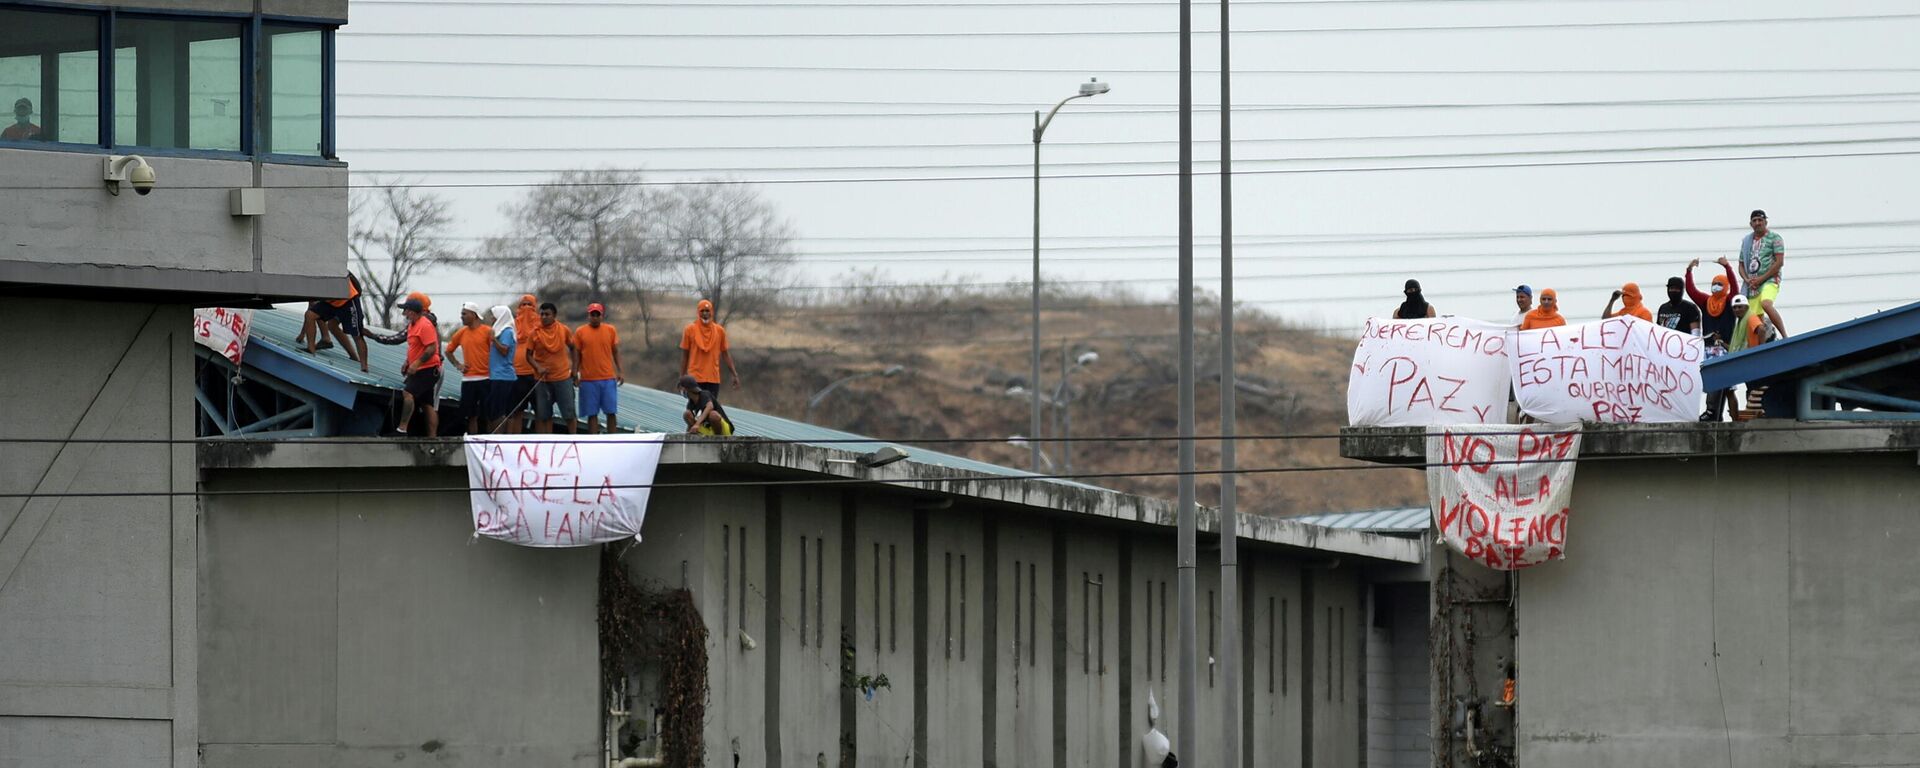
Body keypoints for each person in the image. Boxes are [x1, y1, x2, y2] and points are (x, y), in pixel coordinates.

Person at [1687, 257, 1742, 421]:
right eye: (1714, 283)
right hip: (1708, 349)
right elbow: (1691, 291)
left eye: (1720, 284)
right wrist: (1689, 271)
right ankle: (1712, 413)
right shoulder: (1706, 301)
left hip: (1725, 348)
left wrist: (1728, 268)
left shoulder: (1730, 302)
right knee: (1712, 384)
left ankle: (1735, 419)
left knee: (1730, 389)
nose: (1716, 286)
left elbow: (1735, 288)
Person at [298, 273, 369, 372]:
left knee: (356, 334)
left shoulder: (337, 271)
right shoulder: (311, 280)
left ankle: (363, 365)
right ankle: (311, 348)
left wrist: (301, 334)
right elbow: (311, 307)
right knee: (311, 315)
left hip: (348, 300)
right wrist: (302, 334)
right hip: (330, 303)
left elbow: (356, 286)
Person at [528, 301, 578, 434]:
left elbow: (573, 348)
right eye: (542, 314)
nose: (544, 317)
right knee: (544, 415)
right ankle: (547, 441)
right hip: (542, 379)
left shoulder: (564, 330)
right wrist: (537, 367)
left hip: (562, 377)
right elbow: (528, 355)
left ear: (554, 315)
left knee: (569, 413)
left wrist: (574, 370)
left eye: (547, 314)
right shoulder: (534, 333)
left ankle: (573, 439)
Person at [573, 302, 624, 434]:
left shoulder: (610, 330)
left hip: (607, 378)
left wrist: (620, 371)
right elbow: (577, 354)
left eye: (597, 315)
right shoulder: (580, 331)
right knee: (592, 413)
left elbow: (615, 351)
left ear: (602, 316)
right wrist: (575, 373)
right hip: (588, 379)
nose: (595, 317)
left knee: (611, 411)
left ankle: (613, 439)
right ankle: (593, 441)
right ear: (588, 315)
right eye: (592, 315)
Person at [394, 298, 442, 436]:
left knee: (408, 393)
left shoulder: (425, 325)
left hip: (427, 368)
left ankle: (402, 428)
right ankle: (432, 437)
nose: (404, 314)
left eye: (406, 310)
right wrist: (407, 362)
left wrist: (417, 363)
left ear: (412, 311)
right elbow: (414, 347)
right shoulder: (412, 325)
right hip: (419, 367)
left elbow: (432, 348)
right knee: (427, 403)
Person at [444, 303, 494, 435]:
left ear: (474, 315)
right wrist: (458, 364)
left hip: (486, 378)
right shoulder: (461, 333)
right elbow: (448, 351)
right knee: (470, 414)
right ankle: (472, 441)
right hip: (468, 379)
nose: (462, 317)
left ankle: (489, 441)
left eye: (464, 314)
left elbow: (496, 352)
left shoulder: (487, 331)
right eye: (462, 314)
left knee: (487, 414)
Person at [1739, 209, 1788, 338]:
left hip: (1770, 280)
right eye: (1754, 220)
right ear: (1751, 224)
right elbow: (1741, 265)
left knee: (1766, 304)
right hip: (1752, 285)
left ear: (1766, 221)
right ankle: (1758, 349)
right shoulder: (1747, 241)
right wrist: (1747, 279)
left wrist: (1761, 279)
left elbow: (1779, 262)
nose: (1757, 223)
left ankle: (1785, 336)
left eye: (1760, 220)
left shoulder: (1775, 238)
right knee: (1755, 322)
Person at [680, 299, 742, 397]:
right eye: (702, 311)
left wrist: (734, 374)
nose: (705, 313)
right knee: (695, 410)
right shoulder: (689, 330)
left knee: (711, 409)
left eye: (707, 311)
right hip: (694, 379)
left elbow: (726, 354)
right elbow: (685, 356)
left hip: (713, 379)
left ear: (711, 312)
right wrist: (682, 379)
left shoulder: (719, 331)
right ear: (698, 312)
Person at [504, 294, 540, 434]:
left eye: (529, 305)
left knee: (540, 411)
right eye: (523, 305)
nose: (526, 308)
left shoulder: (540, 324)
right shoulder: (512, 324)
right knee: (516, 411)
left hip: (535, 373)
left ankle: (540, 440)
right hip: (516, 373)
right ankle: (513, 439)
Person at [484, 304, 518, 434]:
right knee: (492, 408)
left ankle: (498, 436)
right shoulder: (500, 331)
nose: (492, 319)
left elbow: (504, 350)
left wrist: (494, 340)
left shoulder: (507, 332)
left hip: (503, 376)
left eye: (494, 316)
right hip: (496, 375)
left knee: (498, 410)